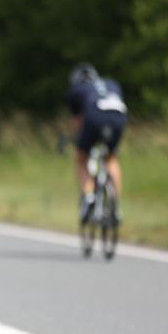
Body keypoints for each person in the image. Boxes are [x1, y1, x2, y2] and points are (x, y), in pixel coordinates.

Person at [66, 63, 128, 222]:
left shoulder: (76, 90)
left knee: (81, 159)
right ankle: (115, 205)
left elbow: (78, 123)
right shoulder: (112, 83)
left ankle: (88, 197)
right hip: (119, 117)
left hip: (94, 118)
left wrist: (78, 141)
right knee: (111, 158)